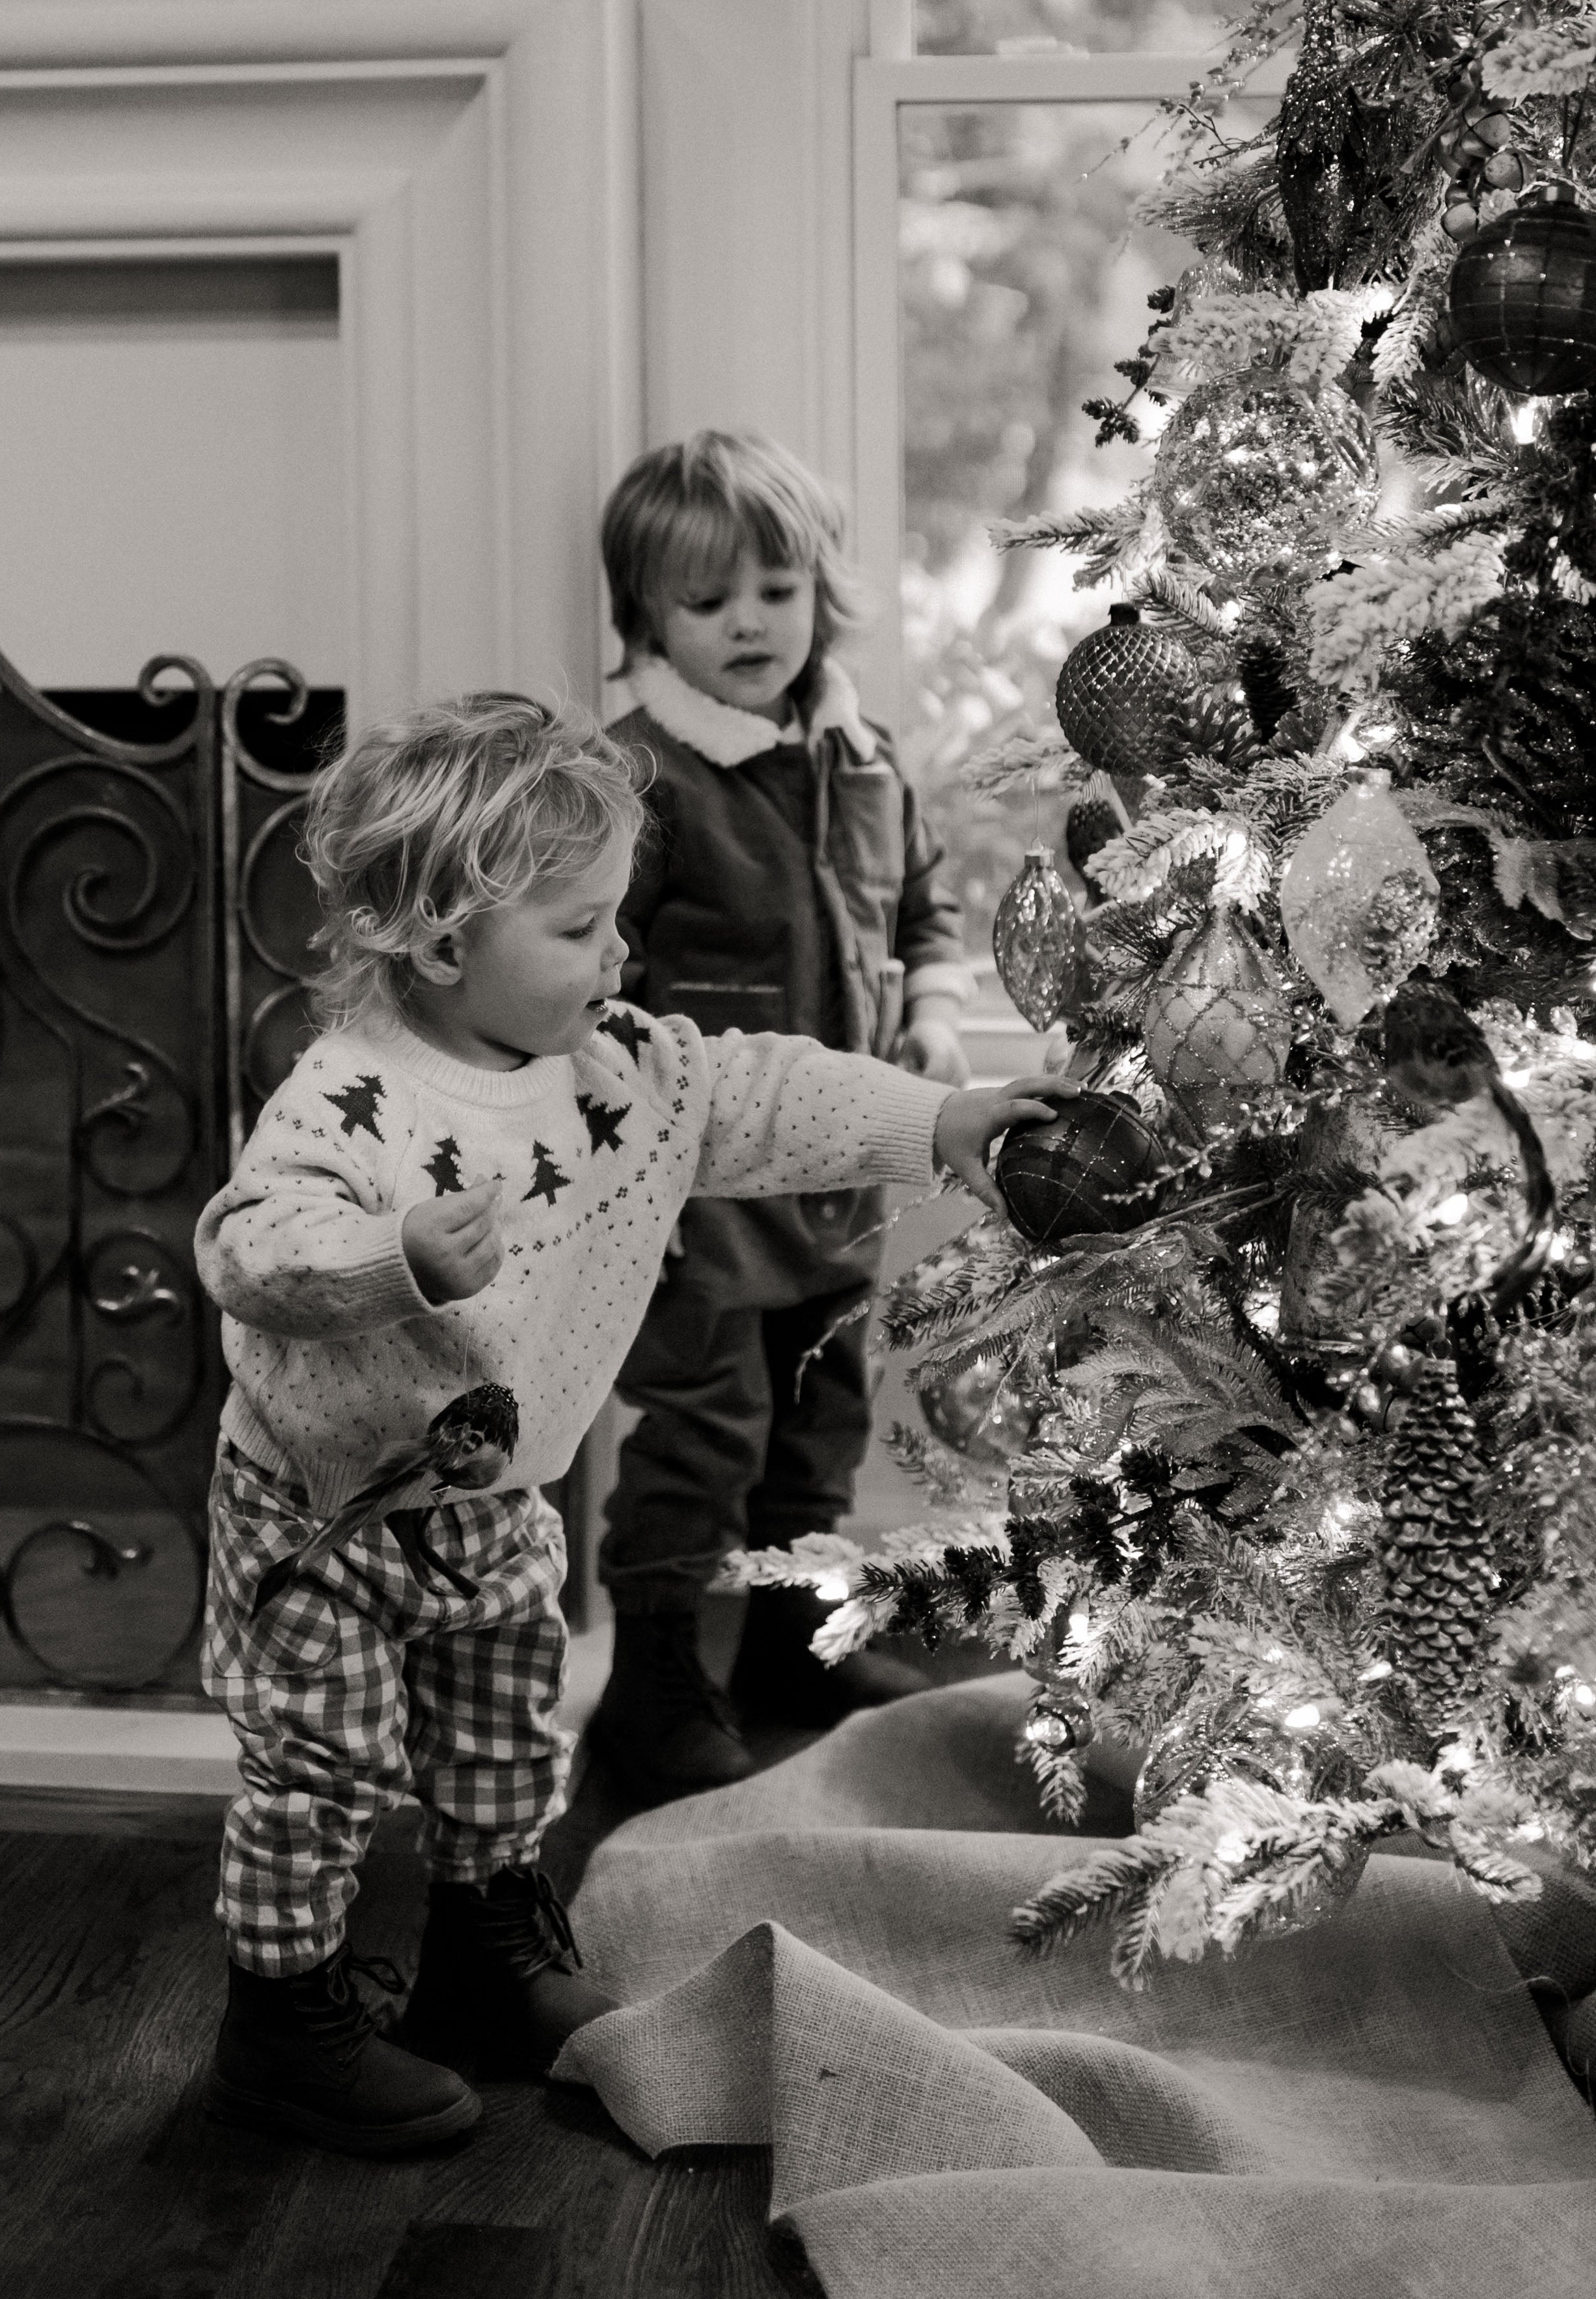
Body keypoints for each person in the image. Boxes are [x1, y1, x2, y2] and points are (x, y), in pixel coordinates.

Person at [193, 688, 1059, 2160]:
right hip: (324, 1507)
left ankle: (482, 1954)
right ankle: (281, 2018)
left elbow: (757, 1088)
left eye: (613, 919)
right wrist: (395, 1252)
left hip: (494, 1493)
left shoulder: (620, 1070)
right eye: (583, 928)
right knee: (321, 1767)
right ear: (448, 939)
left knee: (500, 1736)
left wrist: (938, 1120)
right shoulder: (350, 1097)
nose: (622, 950)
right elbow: (247, 1245)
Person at [586, 431, 975, 1805]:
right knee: (704, 1429)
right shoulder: (638, 782)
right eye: (706, 602)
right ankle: (647, 1689)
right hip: (695, 1187)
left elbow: (919, 898)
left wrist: (930, 1004)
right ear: (645, 620)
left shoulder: (859, 756)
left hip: (838, 1180)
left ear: (819, 591)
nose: (749, 621)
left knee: (816, 1416)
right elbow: (588, 967)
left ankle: (788, 1649)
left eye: (775, 586)